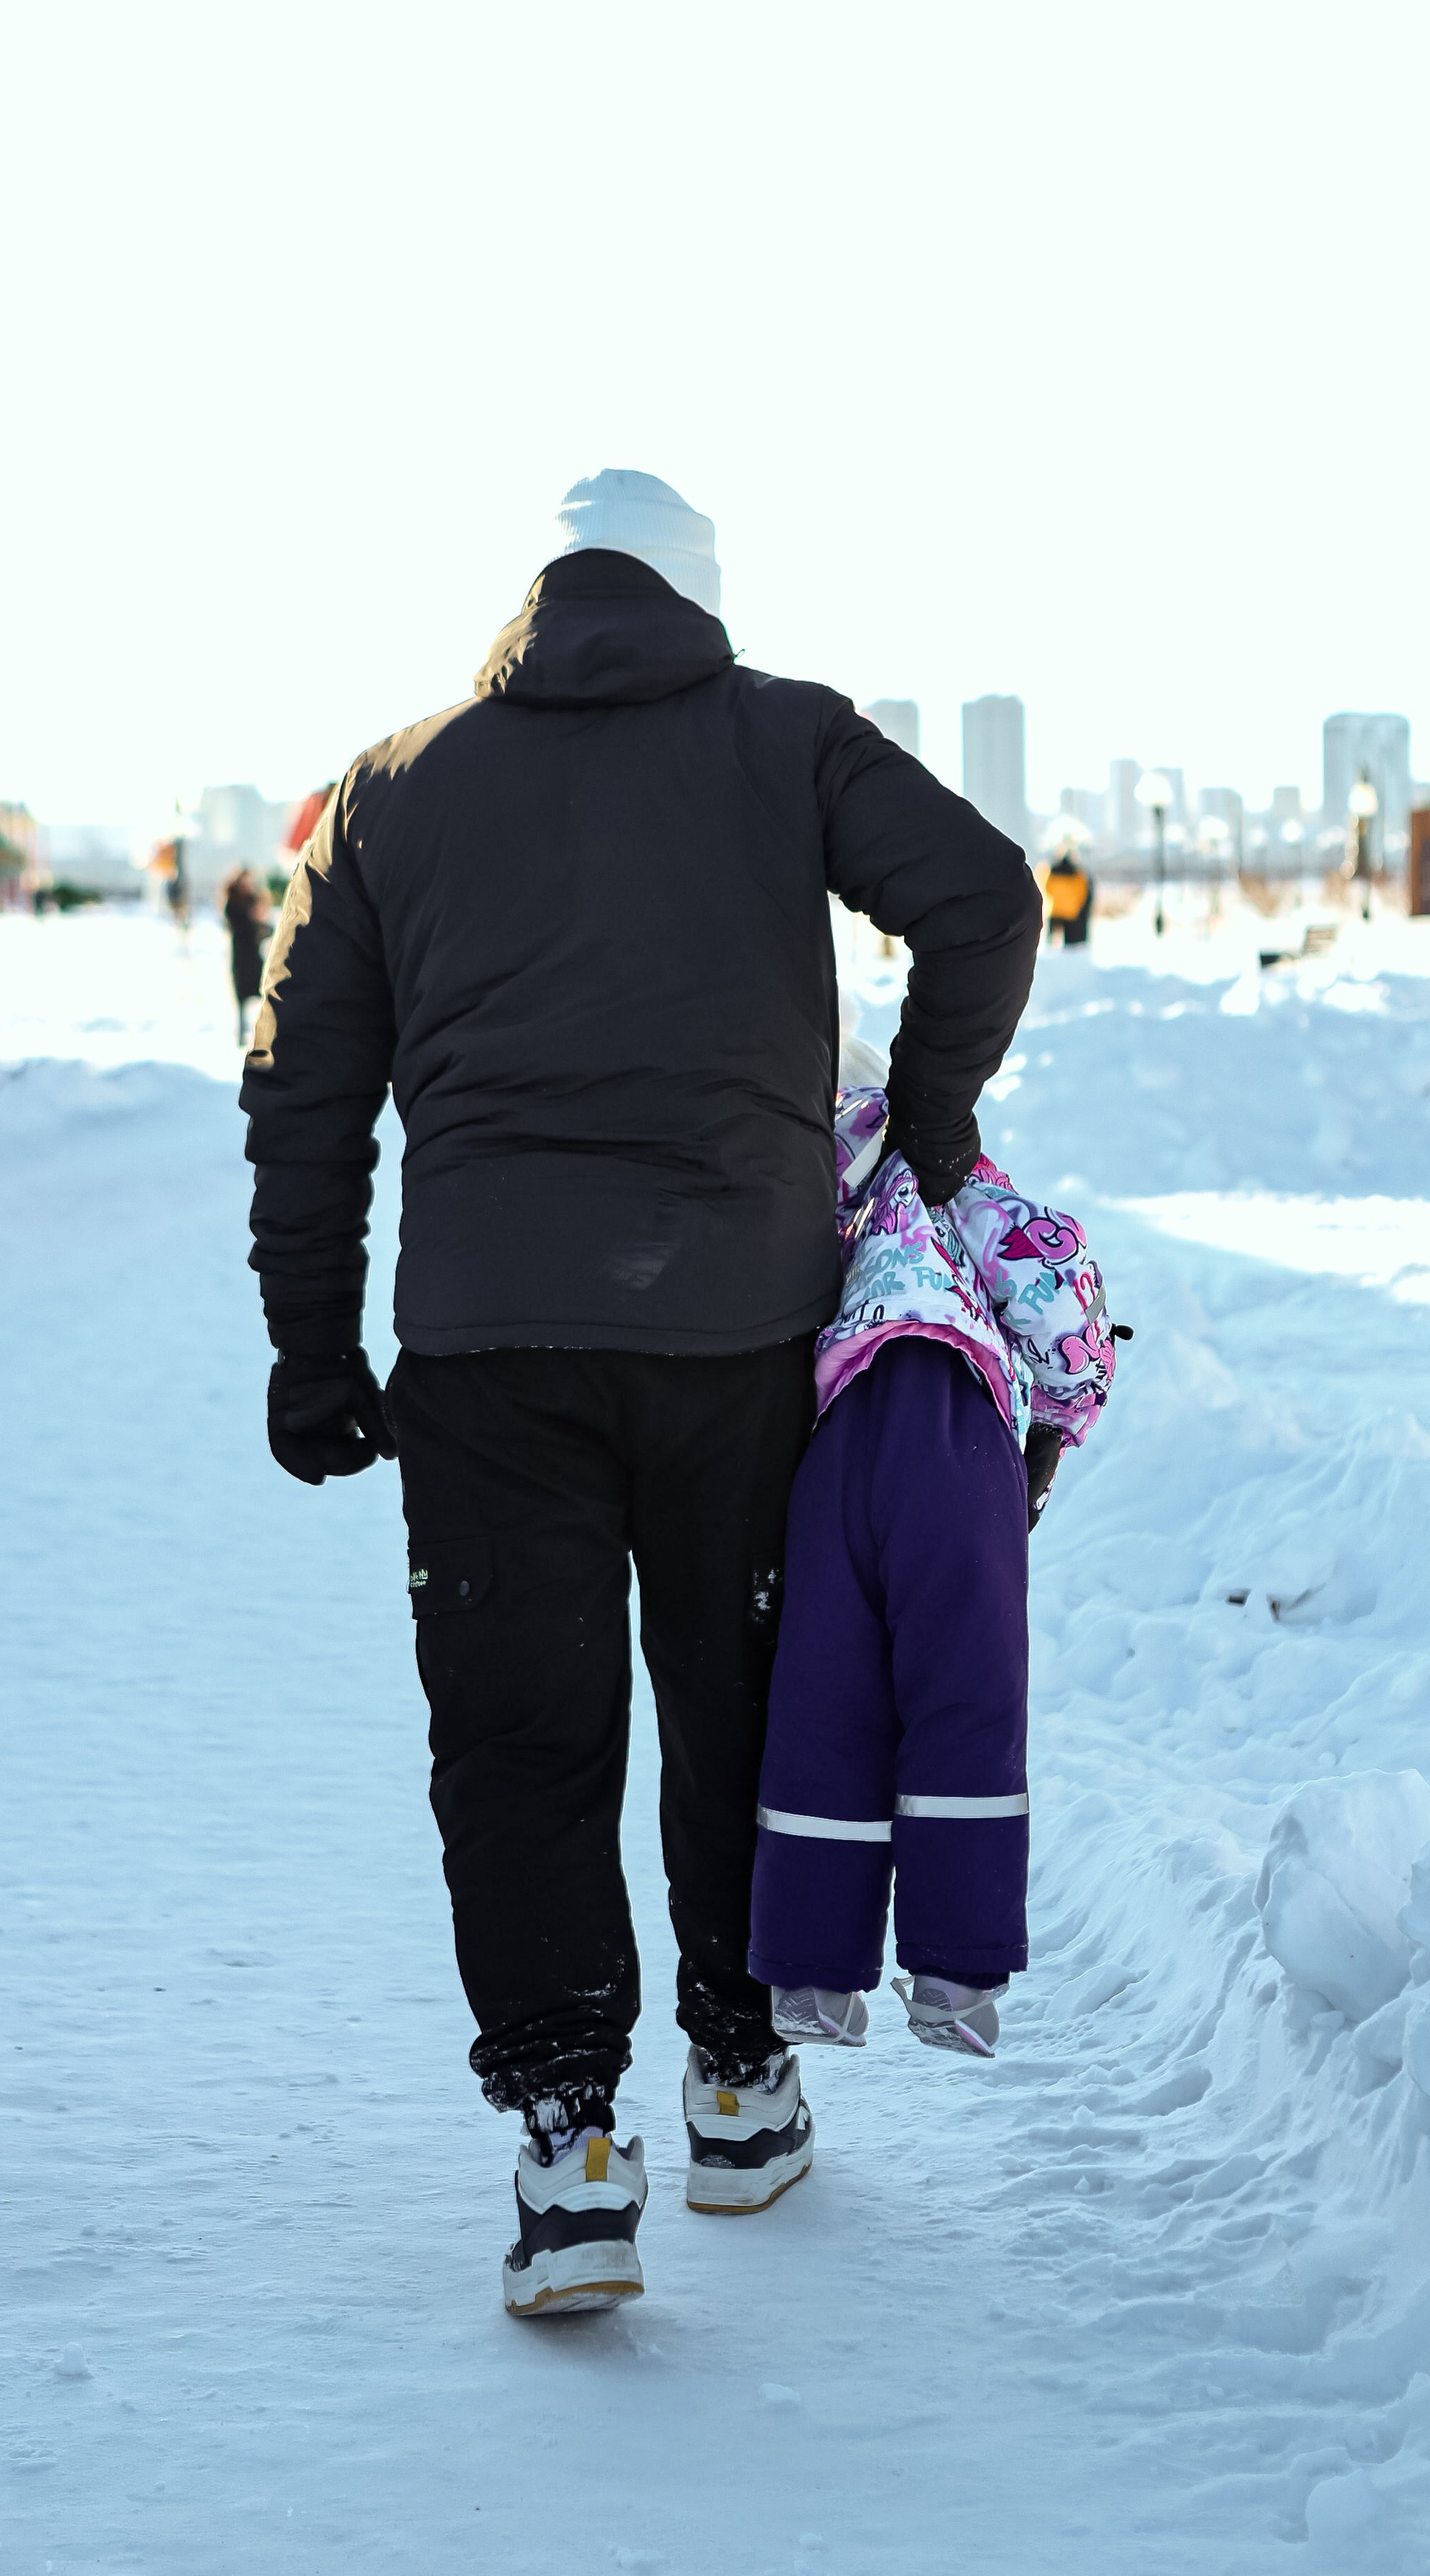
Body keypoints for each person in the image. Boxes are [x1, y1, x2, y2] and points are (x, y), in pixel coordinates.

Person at [238, 469, 1040, 2318]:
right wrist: (922, 1129)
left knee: (519, 1736)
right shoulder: (788, 737)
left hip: (484, 1348)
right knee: (737, 1697)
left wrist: (307, 1338)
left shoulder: (395, 783)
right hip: (740, 1333)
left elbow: (302, 1081)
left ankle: (567, 2143)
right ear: (697, 597)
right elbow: (984, 901)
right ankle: (738, 2082)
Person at [749, 1085, 1116, 2056]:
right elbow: (1055, 1270)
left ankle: (811, 1976)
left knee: (826, 1703)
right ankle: (955, 1972)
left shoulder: (810, 1178)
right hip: (957, 1436)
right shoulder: (958, 1176)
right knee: (965, 1692)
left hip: (835, 1447)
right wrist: (1065, 1414)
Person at [221, 867, 269, 1046]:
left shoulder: (253, 900)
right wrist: (254, 923)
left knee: (263, 993)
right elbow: (238, 926)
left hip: (254, 956)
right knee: (241, 998)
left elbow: (264, 928)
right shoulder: (233, 903)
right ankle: (241, 1036)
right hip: (241, 955)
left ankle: (264, 1034)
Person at [1043, 846, 1094, 945]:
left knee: (1051, 940)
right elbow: (1083, 893)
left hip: (1055, 909)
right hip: (1071, 911)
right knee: (1070, 943)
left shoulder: (1052, 871)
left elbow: (1046, 887)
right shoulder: (1078, 874)